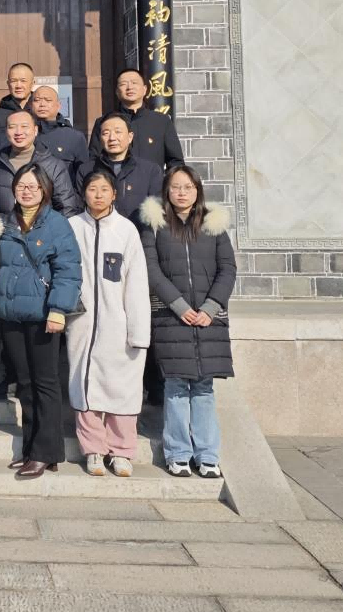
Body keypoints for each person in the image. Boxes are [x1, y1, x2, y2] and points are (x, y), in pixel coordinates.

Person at [139, 165, 236, 480]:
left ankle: (207, 455)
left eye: (188, 187)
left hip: (208, 320)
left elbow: (227, 269)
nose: (181, 193)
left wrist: (211, 307)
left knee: (204, 387)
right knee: (176, 386)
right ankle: (178, 453)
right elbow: (151, 270)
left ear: (198, 191)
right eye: (176, 187)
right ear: (166, 190)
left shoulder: (213, 224)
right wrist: (179, 306)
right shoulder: (155, 225)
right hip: (172, 318)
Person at [0, 164, 82, 479]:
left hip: (44, 315)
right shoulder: (5, 222)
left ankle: (45, 452)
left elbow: (68, 269)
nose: (26, 191)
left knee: (45, 382)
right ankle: (32, 448)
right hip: (12, 314)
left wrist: (58, 309)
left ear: (44, 190)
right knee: (25, 383)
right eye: (21, 186)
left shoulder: (56, 224)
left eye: (33, 186)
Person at [67, 170, 150, 478]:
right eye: (93, 189)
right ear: (84, 193)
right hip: (82, 323)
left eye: (104, 189)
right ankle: (93, 449)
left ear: (114, 194)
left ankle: (122, 451)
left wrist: (138, 330)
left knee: (122, 388)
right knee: (85, 384)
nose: (98, 195)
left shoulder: (126, 231)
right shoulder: (73, 227)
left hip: (119, 323)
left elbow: (137, 284)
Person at [0, 110, 80, 216]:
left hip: (43, 225)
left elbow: (67, 207)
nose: (18, 132)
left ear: (35, 130)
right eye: (12, 127)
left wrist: (51, 226)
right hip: (5, 225)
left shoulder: (53, 165)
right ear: (6, 131)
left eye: (24, 126)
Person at [75, 112, 164, 223]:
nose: (112, 138)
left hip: (138, 232)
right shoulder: (86, 170)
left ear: (130, 137)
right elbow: (79, 208)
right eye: (106, 133)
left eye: (118, 132)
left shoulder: (150, 171)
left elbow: (157, 214)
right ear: (100, 138)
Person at [90, 68, 184, 170]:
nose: (129, 87)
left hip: (152, 180)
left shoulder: (161, 121)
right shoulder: (104, 122)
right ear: (117, 92)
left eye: (134, 83)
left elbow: (176, 162)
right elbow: (93, 159)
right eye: (123, 84)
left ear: (144, 89)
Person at [31, 85, 91, 167]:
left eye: (48, 100)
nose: (42, 104)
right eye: (37, 100)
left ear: (58, 105)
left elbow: (83, 171)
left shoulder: (74, 137)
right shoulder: (22, 133)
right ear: (30, 105)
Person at [0, 62, 37, 128]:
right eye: (14, 81)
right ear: (8, 84)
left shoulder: (42, 111)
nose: (18, 86)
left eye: (23, 81)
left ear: (32, 83)